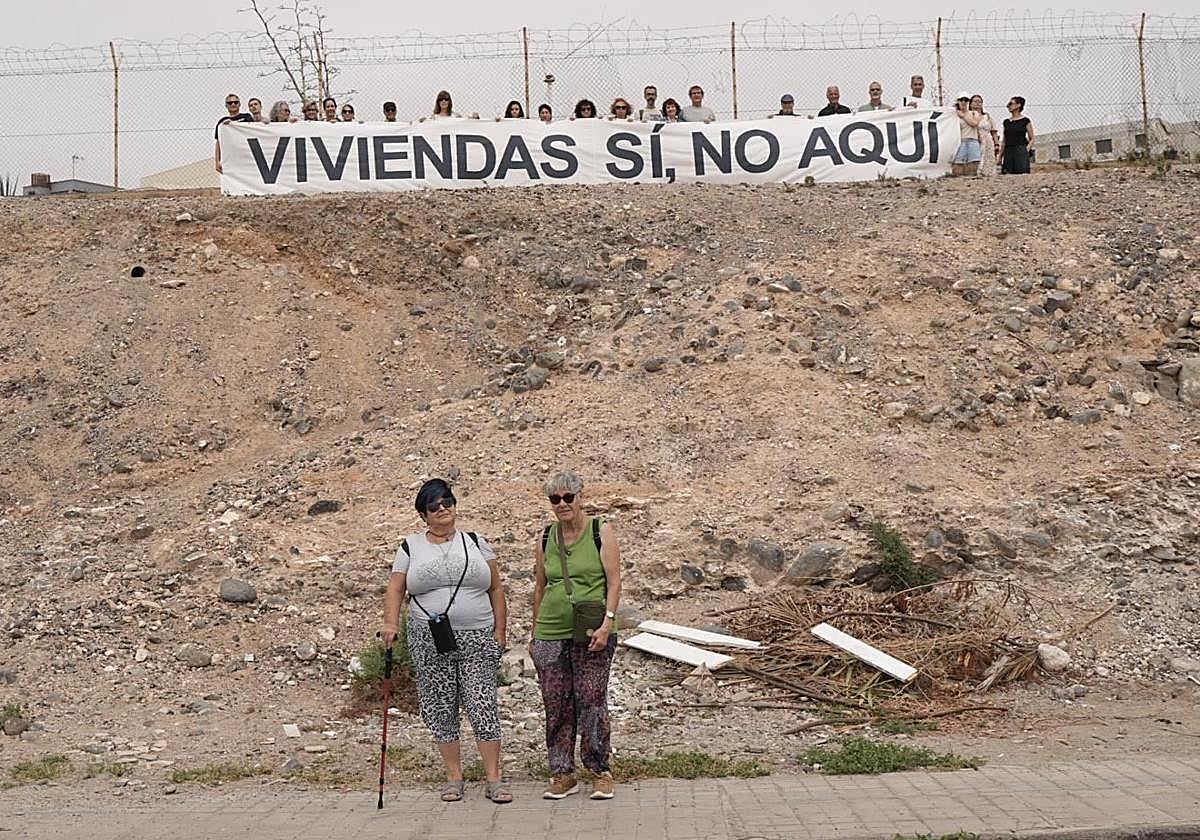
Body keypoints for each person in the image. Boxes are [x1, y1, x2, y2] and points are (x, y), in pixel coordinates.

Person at [380, 478, 512, 804]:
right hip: (429, 638)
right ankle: (454, 777)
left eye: (447, 501)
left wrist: (500, 631)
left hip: (479, 635)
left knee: (482, 701)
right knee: (440, 704)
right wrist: (390, 623)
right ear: (423, 514)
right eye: (433, 505)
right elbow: (395, 588)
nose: (442, 508)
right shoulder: (410, 547)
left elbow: (496, 587)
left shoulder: (476, 541)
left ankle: (494, 779)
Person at [531, 470, 622, 802]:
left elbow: (614, 581)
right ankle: (562, 772)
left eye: (568, 497)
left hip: (592, 628)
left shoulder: (600, 531)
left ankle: (600, 770)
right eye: (555, 499)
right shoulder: (546, 537)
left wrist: (608, 623)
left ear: (580, 497)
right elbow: (540, 586)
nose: (562, 504)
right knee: (556, 703)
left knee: (592, 700)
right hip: (550, 630)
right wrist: (535, 632)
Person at [214, 93, 254, 174]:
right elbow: (218, 143)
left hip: (247, 155)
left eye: (235, 102)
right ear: (226, 105)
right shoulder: (222, 122)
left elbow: (254, 131)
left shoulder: (247, 117)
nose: (233, 104)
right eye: (230, 103)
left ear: (239, 104)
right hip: (231, 158)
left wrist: (233, 124)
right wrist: (217, 161)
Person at [998, 96, 1035, 174]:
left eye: (1010, 104)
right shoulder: (1006, 122)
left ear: (1019, 105)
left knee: (1022, 174)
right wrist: (1000, 156)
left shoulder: (1025, 120)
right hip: (1008, 151)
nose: (1008, 106)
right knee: (1007, 174)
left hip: (1020, 149)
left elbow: (1032, 138)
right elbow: (1004, 140)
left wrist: (1026, 150)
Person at [951, 92, 984, 176]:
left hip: (973, 141)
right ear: (958, 101)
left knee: (973, 167)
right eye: (961, 100)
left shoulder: (974, 113)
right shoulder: (954, 114)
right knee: (958, 166)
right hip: (960, 141)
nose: (963, 102)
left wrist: (963, 115)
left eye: (966, 100)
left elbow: (974, 123)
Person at [972, 95, 999, 176]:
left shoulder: (987, 117)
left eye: (979, 101)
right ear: (970, 103)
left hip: (987, 140)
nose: (977, 103)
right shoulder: (969, 116)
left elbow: (993, 131)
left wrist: (996, 144)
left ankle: (988, 174)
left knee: (988, 158)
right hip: (975, 139)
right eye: (975, 101)